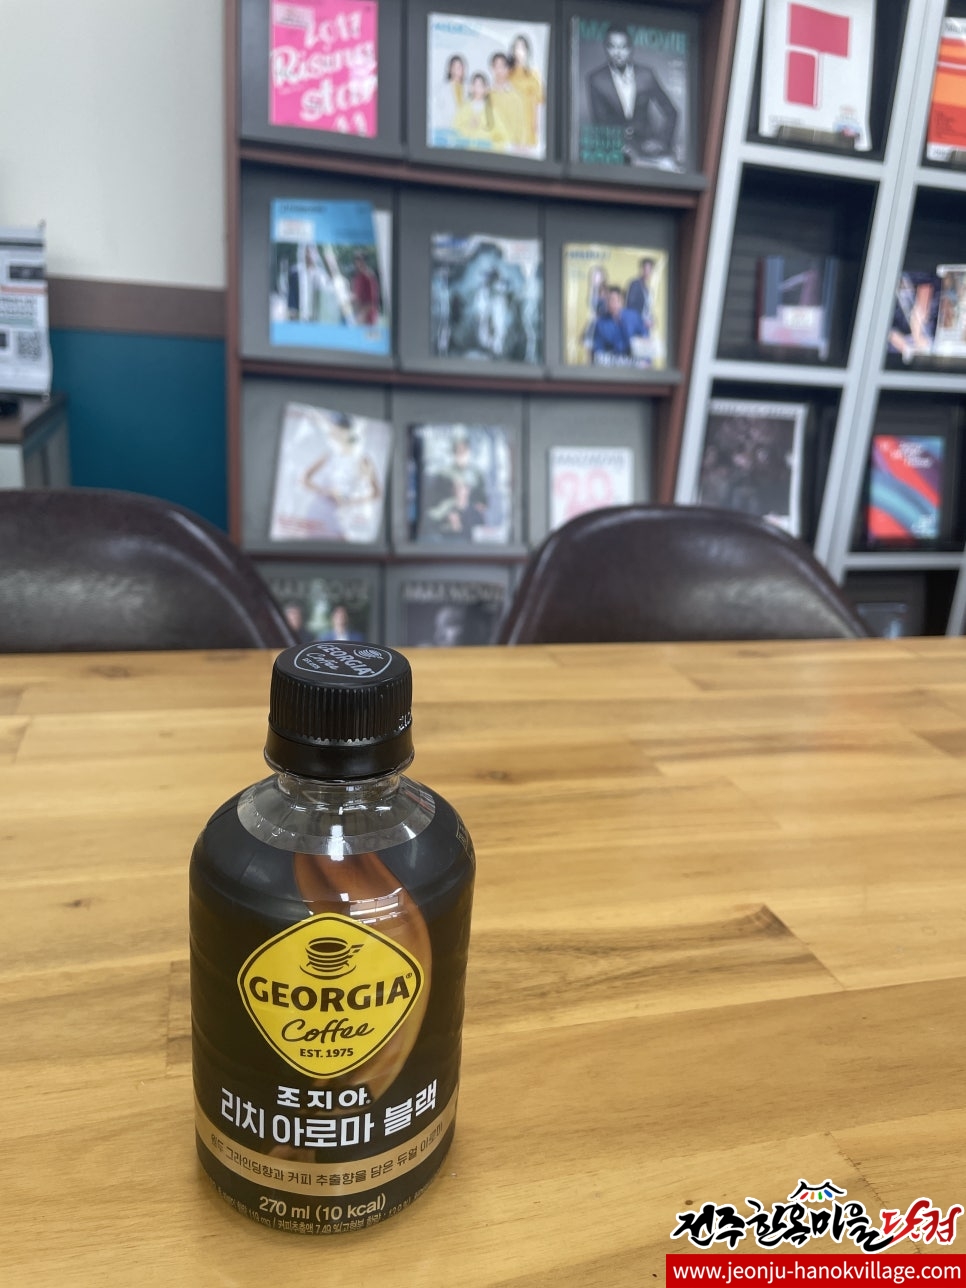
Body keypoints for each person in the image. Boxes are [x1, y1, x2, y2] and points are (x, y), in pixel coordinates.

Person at [587, 24, 679, 166]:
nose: (618, 53)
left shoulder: (646, 75)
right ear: (605, 48)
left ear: (631, 49)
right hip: (615, 153)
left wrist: (662, 141)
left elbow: (671, 112)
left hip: (648, 149)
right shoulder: (596, 80)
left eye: (623, 47)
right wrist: (622, 149)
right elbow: (599, 123)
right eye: (612, 47)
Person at [301, 414, 383, 542]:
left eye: (340, 431)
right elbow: (305, 478)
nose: (336, 435)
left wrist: (351, 501)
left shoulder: (363, 459)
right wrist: (327, 492)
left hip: (347, 518)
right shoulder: (329, 456)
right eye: (334, 431)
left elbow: (376, 493)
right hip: (320, 513)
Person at [591, 285, 647, 361]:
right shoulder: (601, 323)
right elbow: (598, 349)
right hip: (613, 361)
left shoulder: (634, 317)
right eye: (607, 300)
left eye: (612, 300)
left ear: (621, 301)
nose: (610, 303)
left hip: (634, 360)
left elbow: (645, 337)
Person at [508, 33, 544, 151]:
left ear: (527, 51)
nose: (519, 51)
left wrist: (536, 126)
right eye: (516, 47)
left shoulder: (533, 74)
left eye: (522, 48)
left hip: (528, 123)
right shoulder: (508, 74)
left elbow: (538, 104)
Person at [487, 52, 526, 150]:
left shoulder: (516, 96)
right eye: (496, 66)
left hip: (510, 147)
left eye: (502, 66)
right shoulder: (486, 95)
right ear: (491, 69)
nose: (499, 70)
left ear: (508, 69)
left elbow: (520, 125)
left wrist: (518, 145)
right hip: (489, 146)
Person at [434, 53, 467, 134]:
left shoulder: (468, 88)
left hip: (465, 130)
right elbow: (438, 111)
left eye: (460, 67)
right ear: (450, 69)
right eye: (455, 67)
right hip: (447, 128)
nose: (458, 70)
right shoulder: (442, 89)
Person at [350, 251, 380, 326]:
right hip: (357, 315)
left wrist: (362, 314)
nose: (359, 263)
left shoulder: (369, 277)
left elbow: (373, 301)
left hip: (367, 319)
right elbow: (356, 296)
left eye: (361, 260)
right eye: (357, 260)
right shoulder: (356, 277)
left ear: (365, 262)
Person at [625, 257, 655, 330]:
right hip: (636, 324)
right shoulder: (635, 284)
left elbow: (647, 308)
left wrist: (651, 319)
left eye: (649, 269)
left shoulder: (646, 288)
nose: (647, 272)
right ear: (641, 269)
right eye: (645, 269)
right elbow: (630, 306)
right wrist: (642, 321)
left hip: (645, 325)